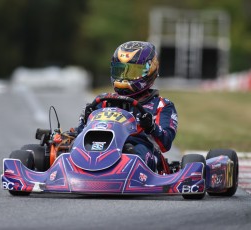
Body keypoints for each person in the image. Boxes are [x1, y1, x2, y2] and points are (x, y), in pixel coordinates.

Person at [76, 41, 178, 171]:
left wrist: (151, 127)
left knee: (134, 152)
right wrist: (84, 121)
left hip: (141, 150)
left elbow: (165, 144)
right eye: (120, 70)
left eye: (132, 72)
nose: (124, 77)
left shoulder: (162, 105)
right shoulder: (102, 101)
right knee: (72, 146)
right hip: (102, 145)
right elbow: (80, 134)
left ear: (150, 70)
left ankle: (124, 172)